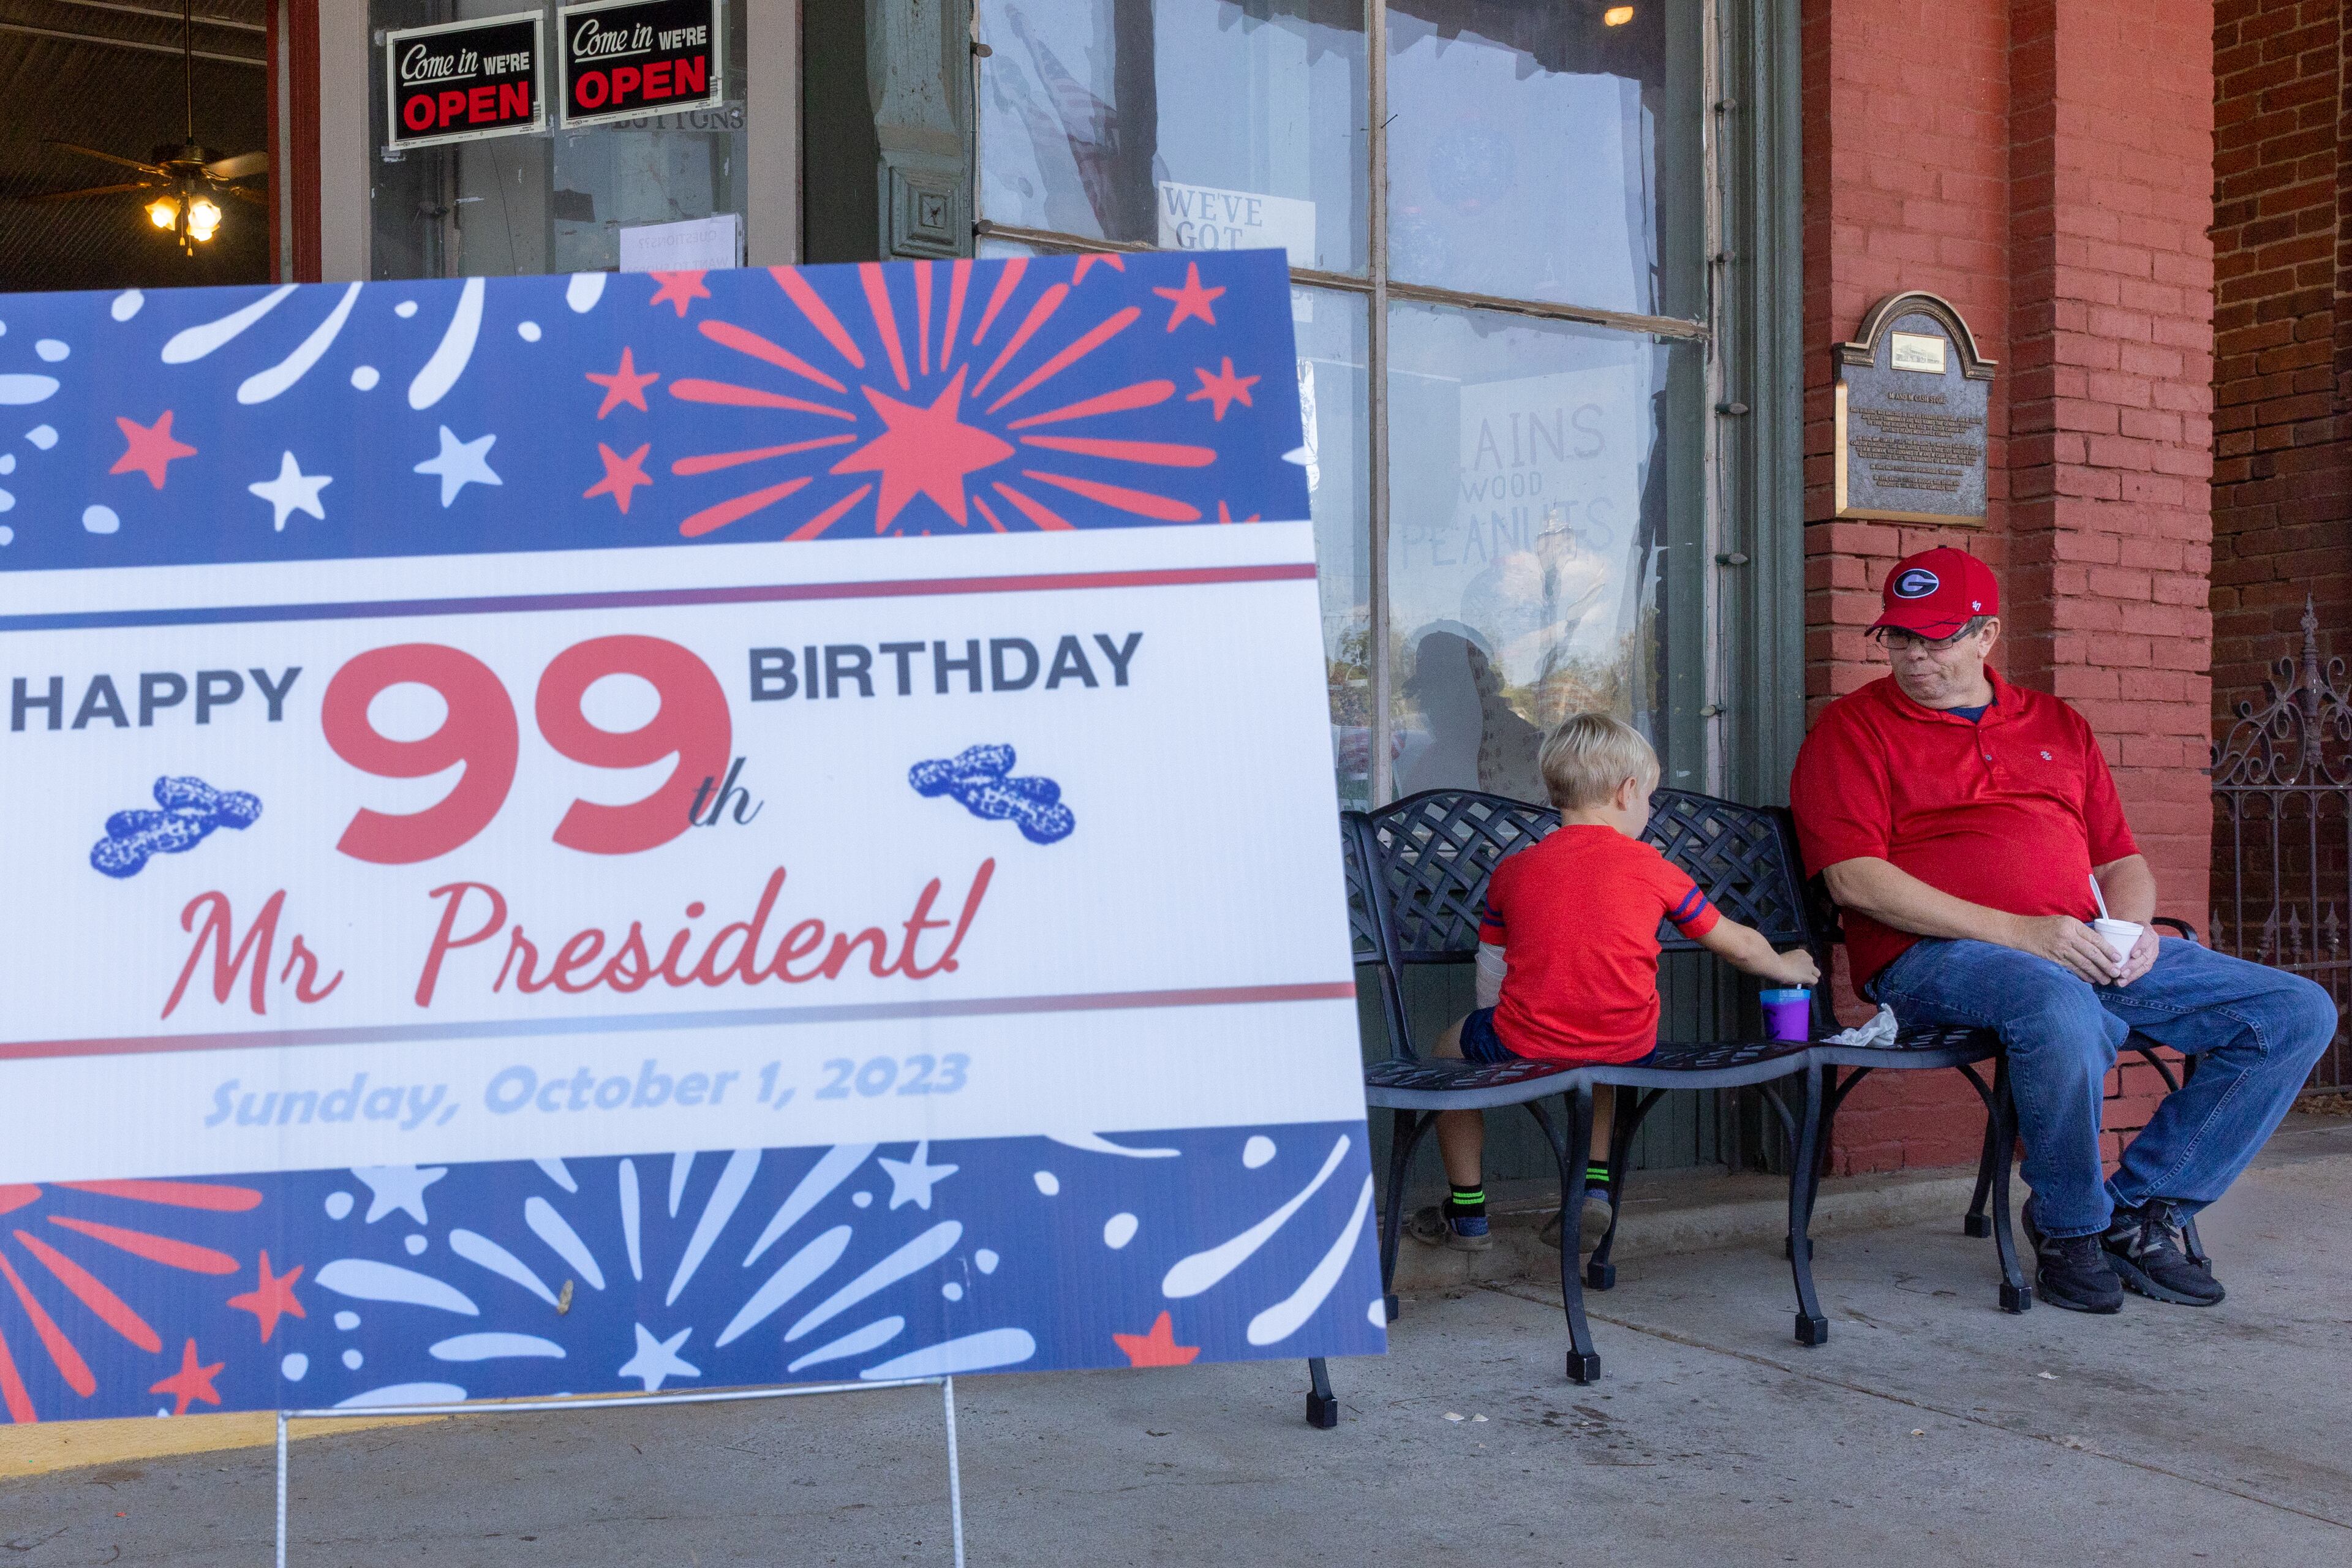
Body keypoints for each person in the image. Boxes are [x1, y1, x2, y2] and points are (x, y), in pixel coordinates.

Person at [1791, 547, 2336, 1313]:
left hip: (2076, 945)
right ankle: (2071, 1229)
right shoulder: (1851, 729)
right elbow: (1855, 880)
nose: (1915, 657)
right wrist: (2023, 934)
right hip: (1933, 959)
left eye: (1937, 637)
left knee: (2294, 1011)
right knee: (2057, 1004)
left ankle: (2144, 1212)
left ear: (1987, 635)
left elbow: (2122, 860)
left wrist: (2133, 929)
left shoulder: (2055, 724)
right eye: (1900, 638)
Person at [1412, 712, 1820, 1250]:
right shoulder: (1652, 867)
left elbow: (1492, 961)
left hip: (1526, 1038)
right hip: (1628, 1042)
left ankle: (1468, 1215)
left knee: (1450, 1051)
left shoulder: (1515, 870)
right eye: (1649, 797)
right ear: (1628, 792)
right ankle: (1594, 1191)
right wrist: (1788, 965)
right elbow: (1737, 944)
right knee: (1603, 1056)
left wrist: (1501, 1029)